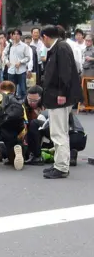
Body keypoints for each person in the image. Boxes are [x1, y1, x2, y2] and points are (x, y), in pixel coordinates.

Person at [40, 25, 83, 179]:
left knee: (59, 133)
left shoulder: (61, 47)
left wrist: (62, 93)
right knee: (59, 132)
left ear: (45, 36)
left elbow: (65, 72)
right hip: (57, 96)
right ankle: (60, 163)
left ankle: (61, 167)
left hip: (59, 97)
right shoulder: (60, 47)